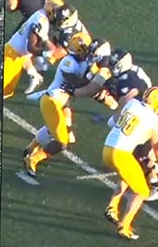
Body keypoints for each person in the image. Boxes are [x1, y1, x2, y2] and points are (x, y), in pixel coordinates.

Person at [21, 34, 116, 181]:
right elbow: (77, 83)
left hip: (63, 102)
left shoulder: (84, 61)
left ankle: (29, 148)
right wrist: (97, 80)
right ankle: (33, 159)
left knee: (59, 130)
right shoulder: (68, 62)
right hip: (52, 101)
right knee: (61, 142)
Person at [103, 86, 158, 240]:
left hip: (107, 149)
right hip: (121, 154)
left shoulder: (132, 103)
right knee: (142, 191)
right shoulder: (156, 120)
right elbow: (157, 149)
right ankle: (124, 226)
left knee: (129, 175)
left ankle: (112, 206)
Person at [3, 0, 63, 99]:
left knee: (7, 92)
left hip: (18, 55)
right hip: (11, 55)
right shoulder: (41, 20)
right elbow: (30, 48)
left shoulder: (41, 15)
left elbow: (26, 50)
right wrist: (45, 53)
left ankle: (33, 75)